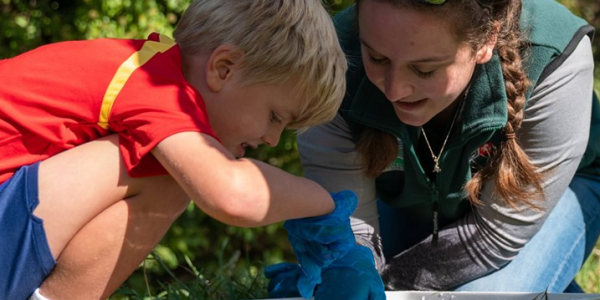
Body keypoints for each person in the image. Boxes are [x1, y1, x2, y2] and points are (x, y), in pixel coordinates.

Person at [0, 0, 350, 299]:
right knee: (167, 176)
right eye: (274, 116)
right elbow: (231, 194)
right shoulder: (157, 86)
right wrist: (323, 204)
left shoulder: (145, 69)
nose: (273, 139)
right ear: (224, 68)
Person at [268, 0, 600, 296]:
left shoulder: (556, 55)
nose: (395, 89)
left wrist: (387, 284)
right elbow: (352, 223)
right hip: (419, 201)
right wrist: (349, 266)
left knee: (485, 294)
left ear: (486, 41)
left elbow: (498, 234)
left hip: (562, 192)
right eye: (376, 57)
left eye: (425, 69)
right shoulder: (331, 55)